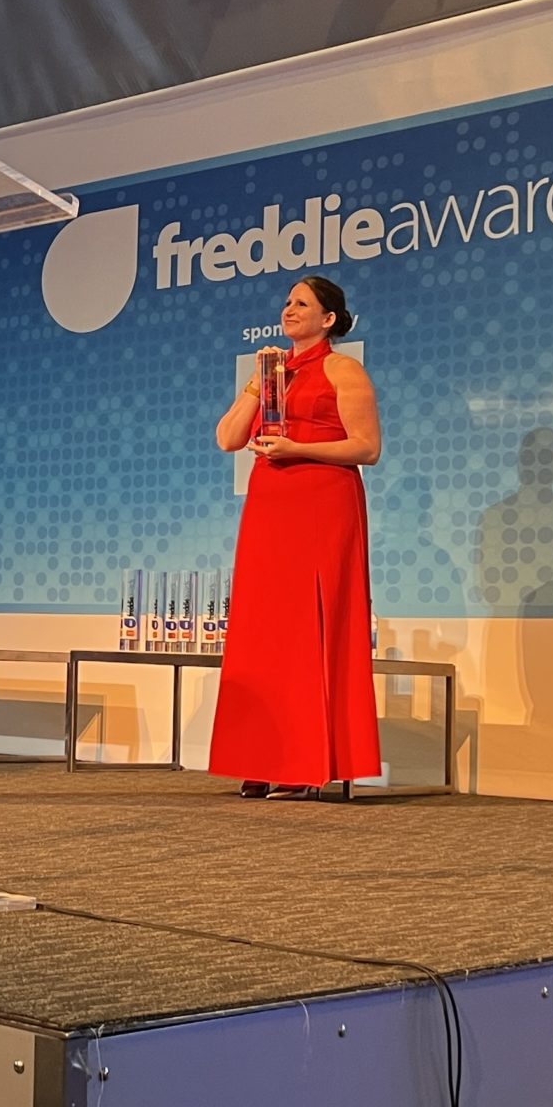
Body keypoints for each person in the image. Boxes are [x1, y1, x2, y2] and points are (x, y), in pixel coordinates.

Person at [207, 275, 384, 798]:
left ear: (327, 319)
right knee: (265, 629)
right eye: (287, 302)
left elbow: (367, 447)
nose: (289, 309)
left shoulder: (342, 369)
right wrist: (256, 384)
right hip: (270, 507)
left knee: (311, 626)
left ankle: (307, 764)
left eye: (301, 303)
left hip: (322, 504)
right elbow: (227, 438)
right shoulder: (272, 372)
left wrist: (298, 448)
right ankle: (262, 757)